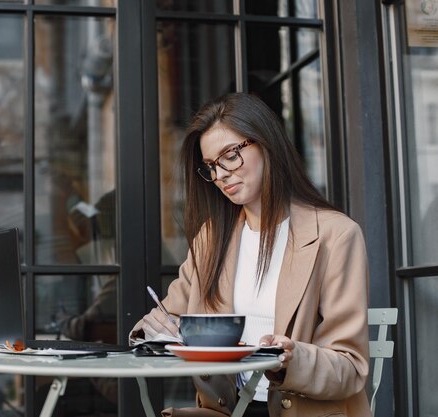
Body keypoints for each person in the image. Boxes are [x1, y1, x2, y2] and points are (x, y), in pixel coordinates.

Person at [130, 93, 370, 417]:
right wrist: (156, 329)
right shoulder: (211, 240)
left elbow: (350, 367)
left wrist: (291, 359)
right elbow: (165, 320)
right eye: (211, 166)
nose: (221, 175)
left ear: (265, 144)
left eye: (230, 155)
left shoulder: (335, 236)